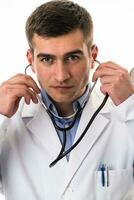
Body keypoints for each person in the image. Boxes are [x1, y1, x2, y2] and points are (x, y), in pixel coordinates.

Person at [0, 0, 134, 199]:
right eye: (47, 59)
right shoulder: (8, 119)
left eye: (72, 58)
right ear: (31, 61)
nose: (61, 75)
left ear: (92, 55)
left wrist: (131, 108)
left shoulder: (124, 110)